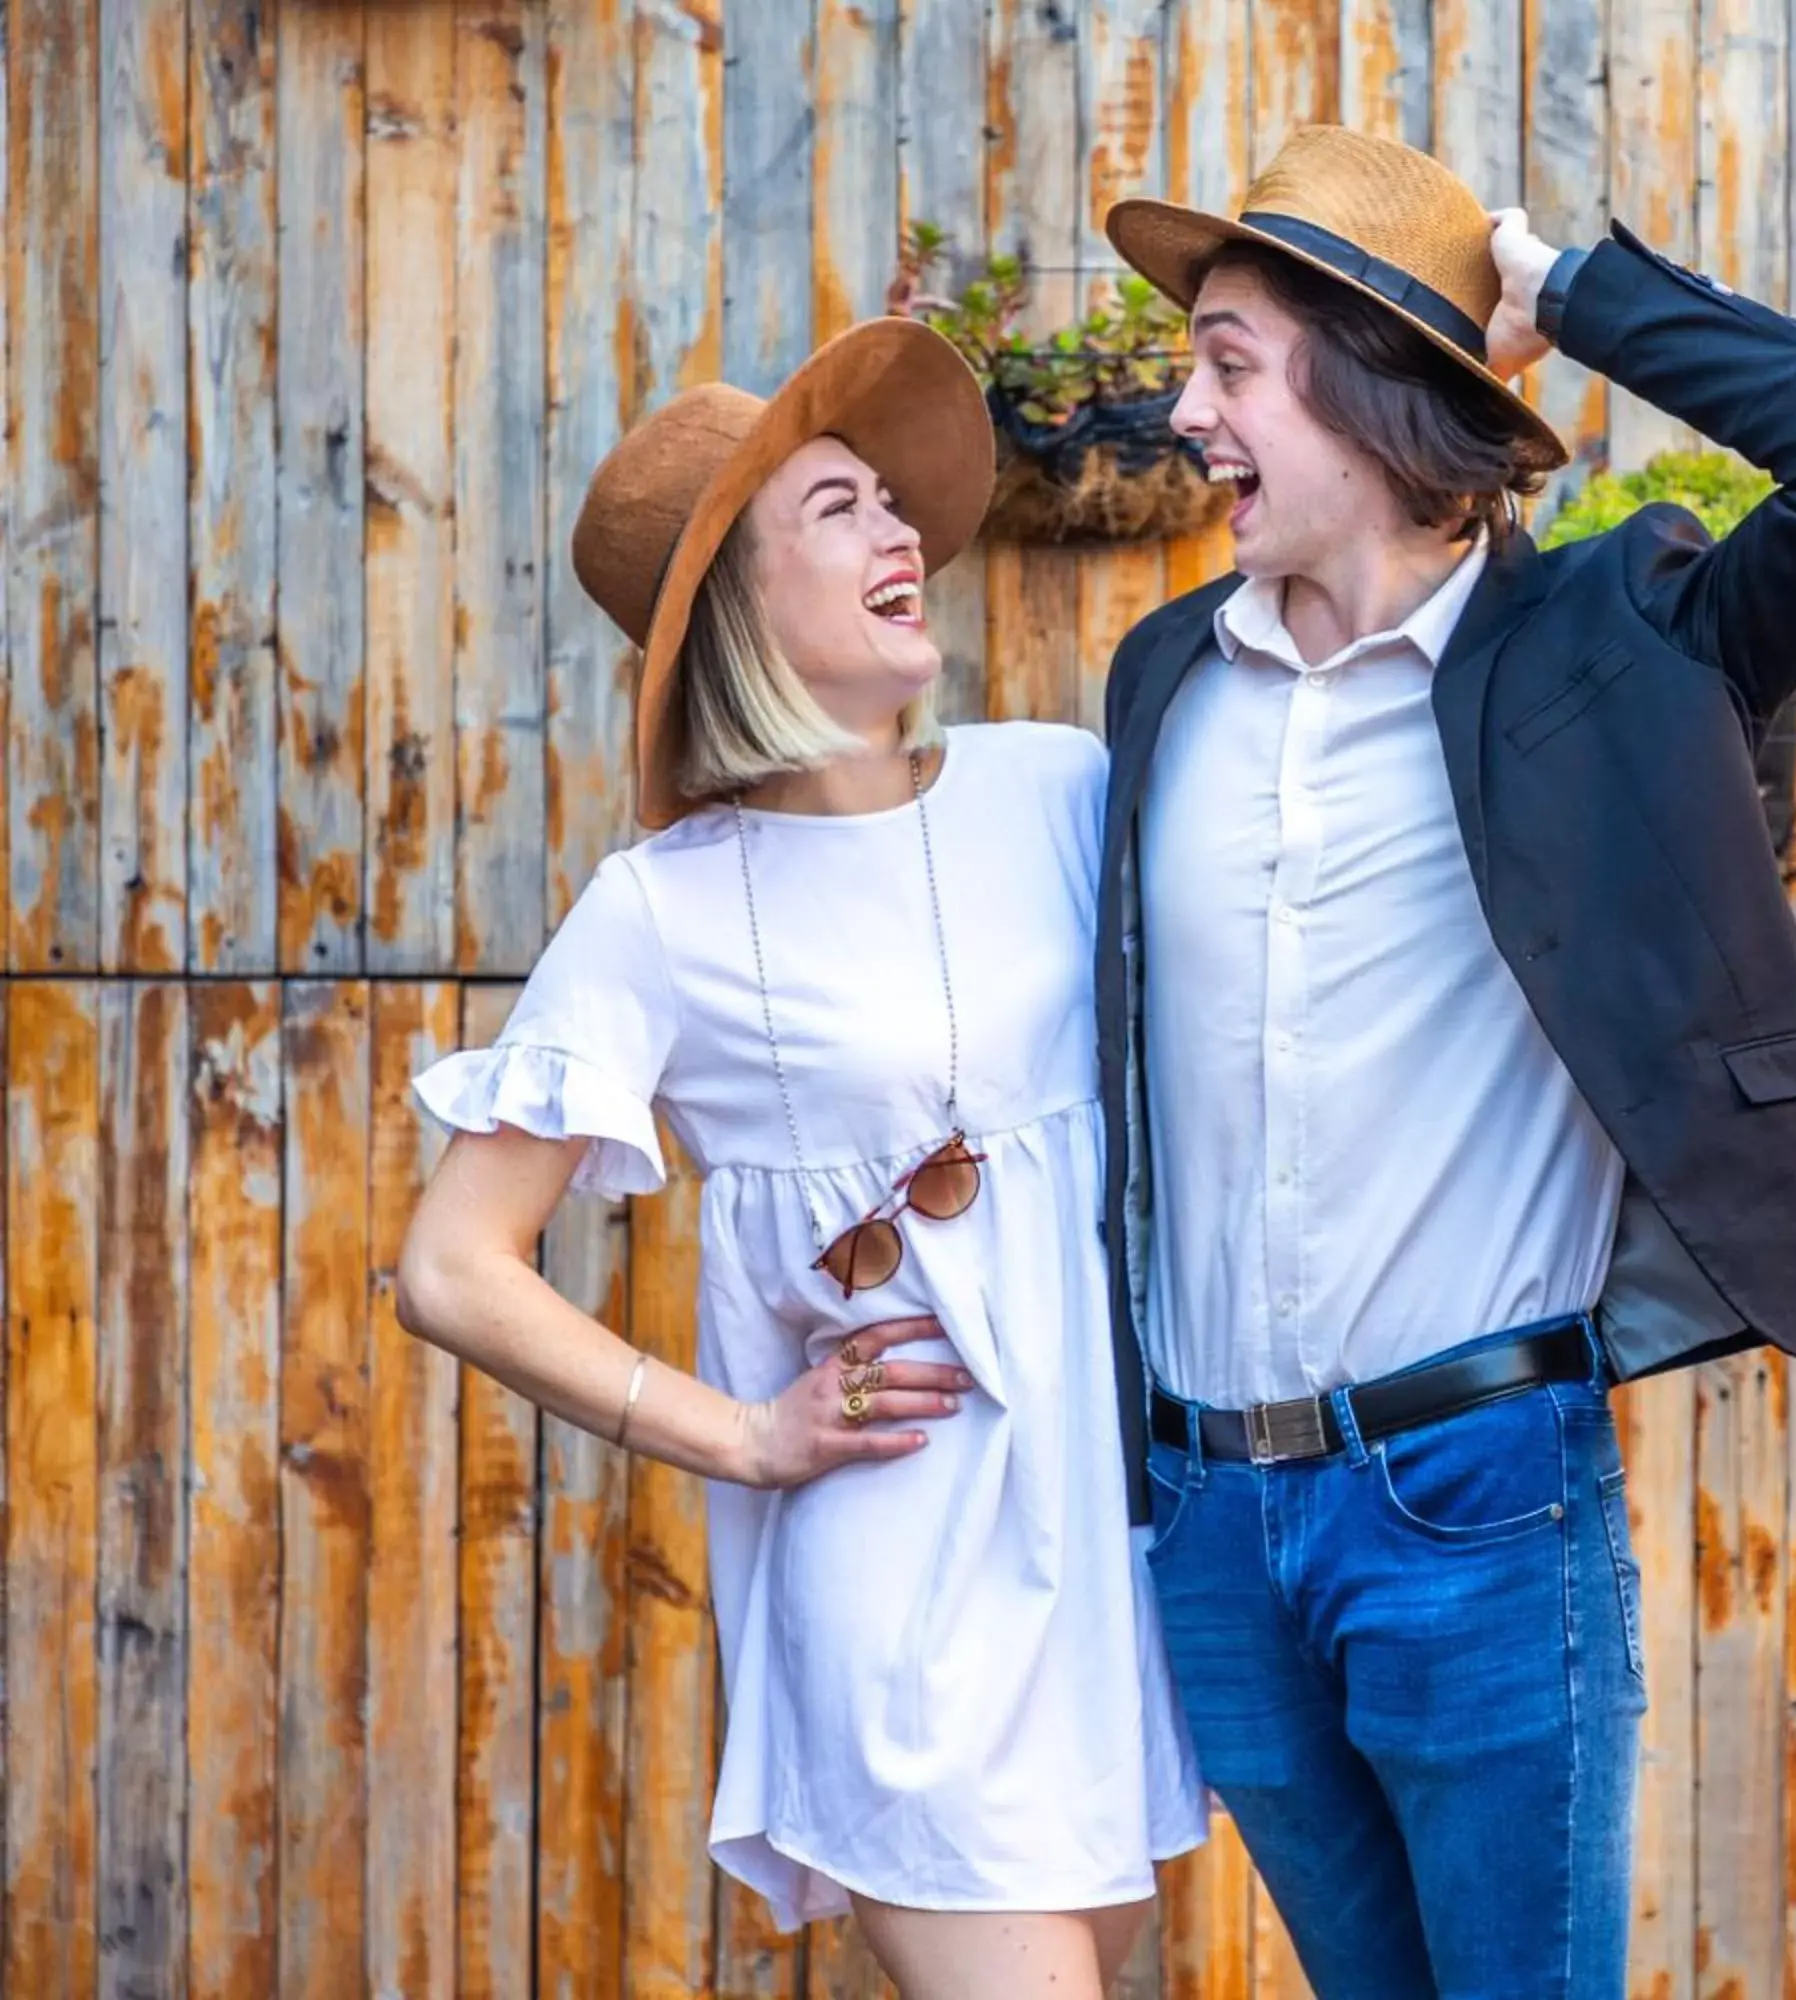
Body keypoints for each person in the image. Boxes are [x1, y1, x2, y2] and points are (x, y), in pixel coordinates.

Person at [1088, 125, 1796, 1997]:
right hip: (1211, 1522)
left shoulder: (1619, 644)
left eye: (1229, 362)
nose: (1184, 411)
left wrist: (1553, 287)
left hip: (1474, 1495)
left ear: (1376, 388)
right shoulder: (1161, 681)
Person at [392, 317, 1206, 1999]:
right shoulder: (662, 914)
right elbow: (451, 1266)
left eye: (892, 504)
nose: (903, 532)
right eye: (840, 509)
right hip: (900, 1593)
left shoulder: (1057, 789)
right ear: (741, 610)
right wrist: (746, 1439)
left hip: (1109, 1569)